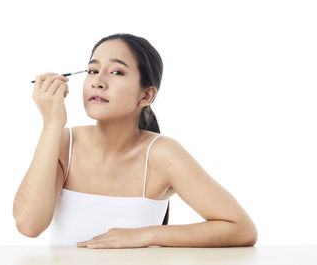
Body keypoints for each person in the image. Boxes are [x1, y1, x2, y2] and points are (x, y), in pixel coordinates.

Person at [13, 33, 258, 249]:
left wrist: (144, 235)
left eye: (117, 72)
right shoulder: (63, 143)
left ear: (146, 95)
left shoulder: (163, 154)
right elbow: (29, 225)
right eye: (92, 70)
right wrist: (52, 125)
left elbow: (241, 228)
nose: (98, 81)